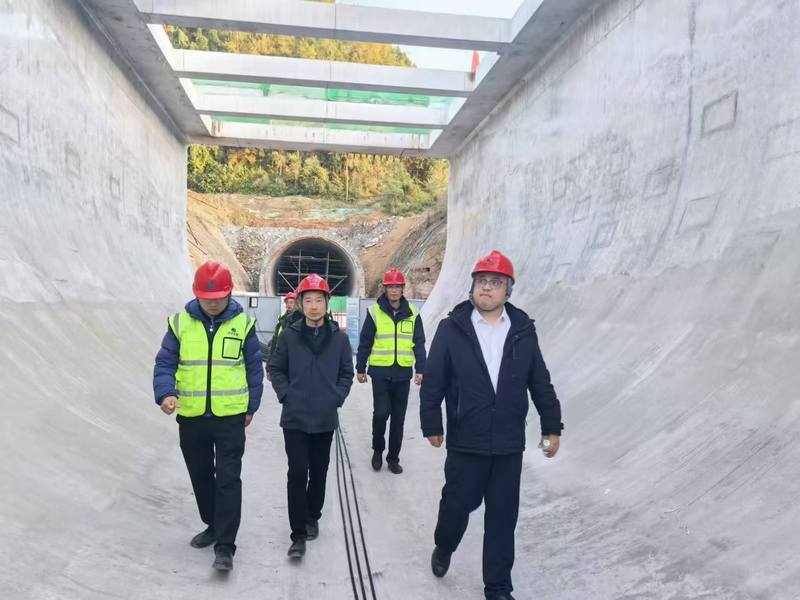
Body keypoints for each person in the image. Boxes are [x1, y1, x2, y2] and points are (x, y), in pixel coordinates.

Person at [420, 250, 563, 600]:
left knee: (502, 517)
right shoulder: (452, 328)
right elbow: (434, 380)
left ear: (507, 290)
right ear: (472, 286)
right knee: (458, 506)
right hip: (465, 439)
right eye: (482, 281)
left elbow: (539, 380)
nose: (487, 287)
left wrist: (551, 425)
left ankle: (498, 587)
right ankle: (444, 545)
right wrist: (431, 424)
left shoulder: (523, 330)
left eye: (495, 282)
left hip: (508, 443)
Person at [153, 261, 264, 571]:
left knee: (228, 479)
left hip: (230, 417)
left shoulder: (243, 325)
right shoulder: (180, 324)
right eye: (206, 297)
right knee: (201, 475)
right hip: (192, 416)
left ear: (229, 293)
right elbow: (165, 363)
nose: (213, 303)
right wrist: (165, 393)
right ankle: (213, 524)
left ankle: (225, 546)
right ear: (196, 294)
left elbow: (254, 369)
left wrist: (251, 406)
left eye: (218, 297)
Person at [268, 274, 354, 559]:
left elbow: (346, 373)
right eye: (308, 300)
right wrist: (286, 395)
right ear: (300, 304)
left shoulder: (339, 340)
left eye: (319, 300)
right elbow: (275, 368)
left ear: (327, 303)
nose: (314, 306)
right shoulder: (289, 336)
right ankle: (298, 535)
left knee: (319, 472)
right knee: (297, 472)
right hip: (294, 418)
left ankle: (312, 515)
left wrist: (336, 396)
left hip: (324, 418)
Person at [356, 268, 426, 474]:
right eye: (390, 287)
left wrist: (421, 369)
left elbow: (419, 343)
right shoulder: (374, 312)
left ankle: (393, 458)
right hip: (380, 372)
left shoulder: (413, 313)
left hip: (402, 373)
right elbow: (365, 342)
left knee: (398, 419)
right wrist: (360, 367)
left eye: (397, 286)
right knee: (380, 414)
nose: (394, 290)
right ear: (384, 289)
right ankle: (378, 451)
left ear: (403, 288)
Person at [262, 291, 298, 374]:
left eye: (291, 302)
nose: (289, 305)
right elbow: (275, 341)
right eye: (287, 302)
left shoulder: (299, 320)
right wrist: (269, 365)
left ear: (296, 304)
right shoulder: (282, 319)